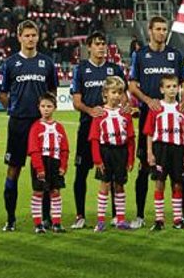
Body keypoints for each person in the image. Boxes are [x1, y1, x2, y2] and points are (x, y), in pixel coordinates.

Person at [128, 16, 184, 229]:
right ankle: (140, 215)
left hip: (173, 119)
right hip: (151, 119)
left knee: (180, 171)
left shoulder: (174, 55)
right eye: (158, 29)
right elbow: (132, 85)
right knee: (145, 167)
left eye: (165, 29)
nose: (162, 33)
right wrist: (148, 101)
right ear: (150, 31)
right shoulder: (140, 56)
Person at [0, 20, 58, 231]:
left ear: (38, 37)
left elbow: (52, 92)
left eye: (34, 35)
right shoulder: (10, 63)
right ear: (19, 37)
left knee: (43, 171)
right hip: (18, 124)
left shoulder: (47, 63)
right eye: (27, 35)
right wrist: (13, 109)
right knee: (13, 169)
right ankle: (11, 219)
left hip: (41, 126)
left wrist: (46, 113)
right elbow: (2, 94)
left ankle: (45, 218)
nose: (31, 39)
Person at [69, 31, 126, 230]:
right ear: (89, 47)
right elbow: (76, 101)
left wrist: (126, 110)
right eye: (97, 44)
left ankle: (115, 216)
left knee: (112, 173)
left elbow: (124, 97)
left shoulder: (115, 69)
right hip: (88, 127)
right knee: (81, 171)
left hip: (112, 131)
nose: (101, 47)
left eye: (104, 43)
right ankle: (80, 215)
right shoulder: (81, 69)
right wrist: (90, 111)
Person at [144, 74, 184, 231]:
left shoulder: (182, 109)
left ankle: (177, 219)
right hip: (160, 149)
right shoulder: (156, 108)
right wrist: (149, 152)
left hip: (178, 149)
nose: (172, 89)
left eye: (174, 86)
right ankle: (159, 219)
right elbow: (148, 132)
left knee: (178, 183)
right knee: (159, 182)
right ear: (162, 89)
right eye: (168, 87)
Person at [88, 76, 135, 232]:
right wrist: (97, 159)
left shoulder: (125, 113)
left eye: (120, 93)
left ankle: (120, 219)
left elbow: (130, 138)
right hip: (105, 151)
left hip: (121, 152)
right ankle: (101, 220)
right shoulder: (100, 113)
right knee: (105, 185)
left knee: (120, 185)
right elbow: (94, 139)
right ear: (106, 94)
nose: (116, 96)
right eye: (113, 92)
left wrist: (130, 159)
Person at [28, 93, 70, 233]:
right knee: (38, 192)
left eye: (49, 106)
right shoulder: (35, 127)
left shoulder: (59, 127)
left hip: (55, 163)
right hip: (41, 162)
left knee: (55, 191)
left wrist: (63, 166)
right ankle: (38, 224)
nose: (46, 109)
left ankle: (56, 223)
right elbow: (33, 149)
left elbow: (65, 149)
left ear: (55, 108)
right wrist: (39, 168)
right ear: (39, 108)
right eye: (43, 106)